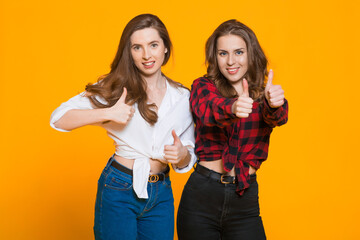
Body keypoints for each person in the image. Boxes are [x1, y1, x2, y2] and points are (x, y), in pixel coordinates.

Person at [50, 14, 196, 240]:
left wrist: (183, 154)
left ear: (165, 48)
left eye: (153, 45)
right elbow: (58, 119)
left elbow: (187, 159)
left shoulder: (183, 97)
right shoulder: (117, 87)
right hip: (119, 187)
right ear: (129, 52)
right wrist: (108, 113)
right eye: (137, 47)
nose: (147, 55)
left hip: (161, 192)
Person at [177, 19, 288, 240]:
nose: (230, 61)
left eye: (238, 52)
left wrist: (275, 104)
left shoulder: (263, 94)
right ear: (215, 57)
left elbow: (277, 117)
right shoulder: (202, 86)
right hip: (201, 198)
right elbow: (208, 110)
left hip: (244, 199)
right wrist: (234, 106)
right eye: (222, 53)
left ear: (250, 54)